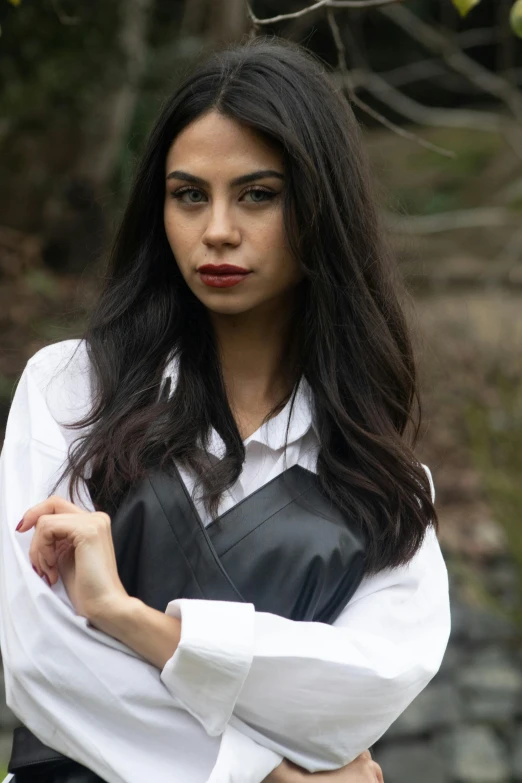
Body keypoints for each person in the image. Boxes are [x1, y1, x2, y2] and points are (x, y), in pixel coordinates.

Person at [0, 36, 450, 783]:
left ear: (320, 209)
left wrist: (131, 619)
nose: (216, 229)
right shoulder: (71, 389)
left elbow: (366, 685)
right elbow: (41, 659)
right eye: (188, 195)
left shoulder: (385, 482)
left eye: (257, 194)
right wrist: (268, 775)